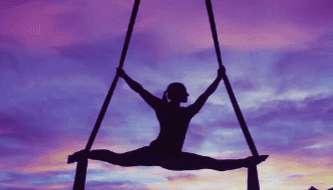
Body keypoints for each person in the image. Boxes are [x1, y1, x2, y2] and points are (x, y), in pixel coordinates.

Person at [68, 66, 268, 171]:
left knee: (210, 163)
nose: (188, 95)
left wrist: (219, 79)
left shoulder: (171, 108)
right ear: (177, 95)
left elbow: (140, 90)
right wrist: (124, 76)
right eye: (185, 93)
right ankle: (84, 154)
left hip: (166, 155)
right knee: (211, 163)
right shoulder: (180, 110)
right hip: (164, 155)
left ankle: (247, 162)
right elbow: (140, 90)